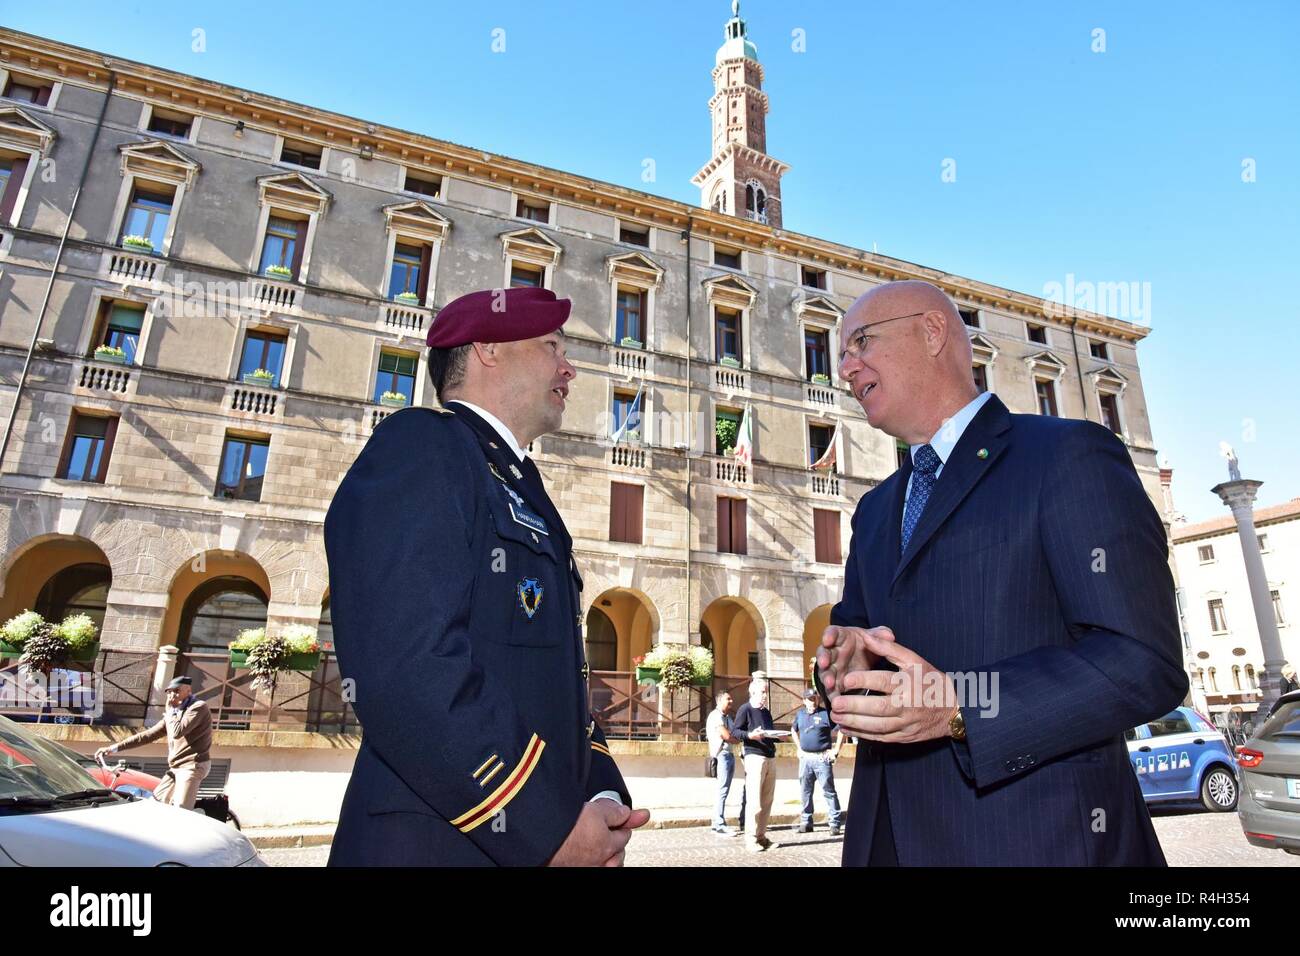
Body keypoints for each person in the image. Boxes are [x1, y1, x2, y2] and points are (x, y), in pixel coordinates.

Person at [817, 279, 1187, 866]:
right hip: (884, 841)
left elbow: (1143, 661)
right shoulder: (875, 508)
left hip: (1040, 842)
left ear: (932, 332)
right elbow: (860, 638)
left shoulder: (1069, 456)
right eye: (841, 354)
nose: (846, 368)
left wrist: (963, 706)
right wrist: (845, 663)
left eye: (860, 342)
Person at [324, 287, 649, 866]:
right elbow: (404, 667)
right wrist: (545, 829)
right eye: (552, 345)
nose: (569, 367)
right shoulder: (422, 444)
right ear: (488, 350)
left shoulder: (522, 485)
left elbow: (552, 683)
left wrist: (598, 793)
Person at [95, 675, 211, 810]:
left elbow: (177, 732)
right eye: (170, 691)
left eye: (177, 691)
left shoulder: (197, 707)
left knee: (182, 811)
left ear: (188, 690)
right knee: (156, 804)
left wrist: (169, 712)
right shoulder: (174, 713)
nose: (172, 695)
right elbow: (148, 735)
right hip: (176, 767)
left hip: (192, 766)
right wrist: (113, 748)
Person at [791, 688, 844, 835]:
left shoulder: (825, 713)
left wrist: (836, 750)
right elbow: (793, 730)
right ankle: (806, 822)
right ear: (804, 700)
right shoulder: (800, 714)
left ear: (818, 699)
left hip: (822, 758)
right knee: (805, 792)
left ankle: (834, 823)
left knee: (829, 791)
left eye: (814, 698)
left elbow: (842, 729)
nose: (812, 701)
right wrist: (798, 747)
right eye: (809, 699)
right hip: (805, 759)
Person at [732, 677, 776, 852]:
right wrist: (751, 735)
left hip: (770, 756)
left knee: (767, 800)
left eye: (766, 691)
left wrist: (776, 736)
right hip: (754, 757)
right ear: (753, 692)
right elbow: (735, 731)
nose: (765, 695)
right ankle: (750, 839)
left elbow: (768, 732)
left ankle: (761, 836)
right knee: (754, 801)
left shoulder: (766, 712)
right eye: (763, 692)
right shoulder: (745, 709)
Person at [706, 690, 741, 835]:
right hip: (722, 755)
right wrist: (736, 739)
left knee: (723, 790)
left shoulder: (727, 717)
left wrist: (736, 737)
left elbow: (735, 732)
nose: (731, 701)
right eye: (728, 699)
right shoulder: (715, 716)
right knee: (722, 790)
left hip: (729, 754)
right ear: (720, 701)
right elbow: (727, 735)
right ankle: (719, 823)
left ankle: (717, 822)